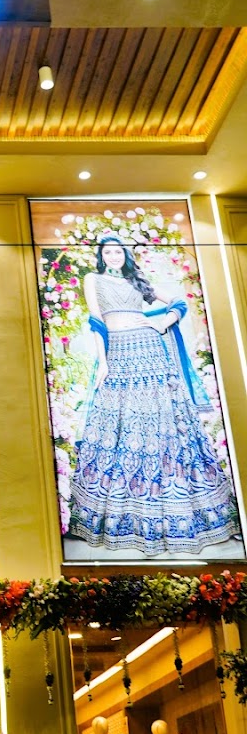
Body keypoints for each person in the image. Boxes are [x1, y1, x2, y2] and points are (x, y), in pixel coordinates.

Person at [69, 232, 238, 556]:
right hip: (119, 350)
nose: (114, 257)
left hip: (150, 349)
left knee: (163, 422)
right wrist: (103, 361)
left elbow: (178, 303)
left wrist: (163, 323)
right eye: (108, 252)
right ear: (101, 256)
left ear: (125, 255)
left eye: (119, 252)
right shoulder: (93, 279)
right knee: (123, 423)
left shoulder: (137, 280)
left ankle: (177, 506)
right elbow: (96, 321)